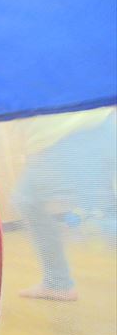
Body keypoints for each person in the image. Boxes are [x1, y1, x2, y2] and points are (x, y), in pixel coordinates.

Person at [13, 106, 116, 301]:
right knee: (28, 199)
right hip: (89, 127)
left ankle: (57, 282)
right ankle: (56, 282)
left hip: (70, 133)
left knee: (99, 217)